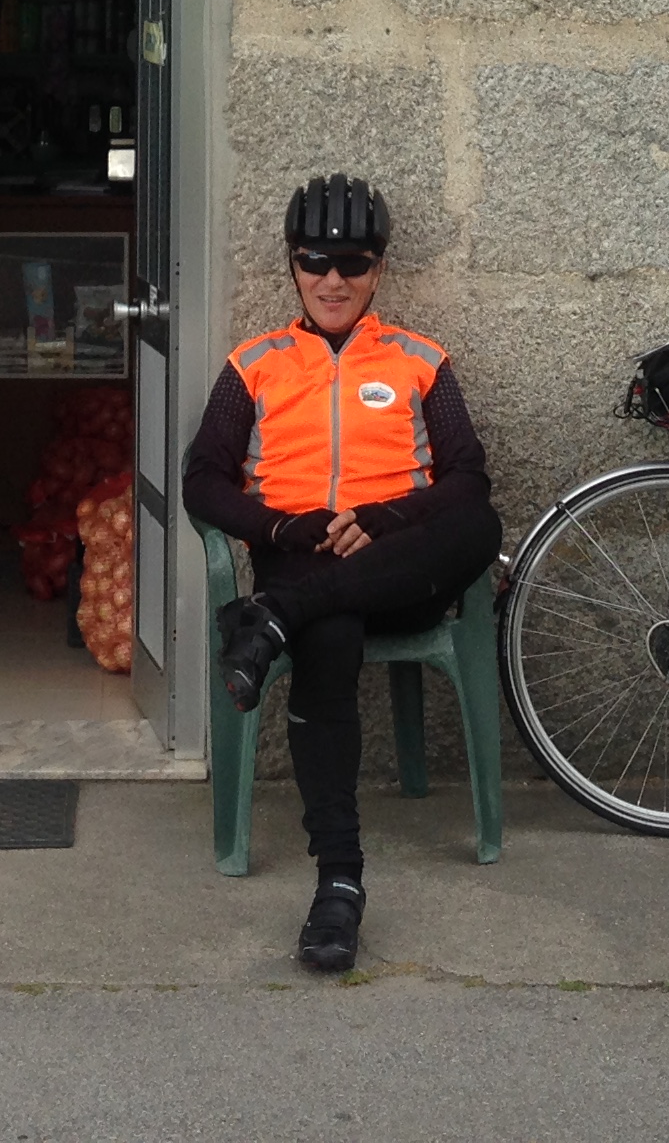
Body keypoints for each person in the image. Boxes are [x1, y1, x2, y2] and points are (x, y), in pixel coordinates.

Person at [181, 173, 501, 974]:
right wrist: (282, 526)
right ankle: (340, 882)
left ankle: (273, 618)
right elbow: (202, 480)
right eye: (314, 262)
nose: (333, 280)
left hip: (398, 568)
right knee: (328, 637)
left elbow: (466, 476)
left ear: (379, 270)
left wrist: (386, 518)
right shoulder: (254, 364)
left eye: (353, 263)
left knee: (480, 523)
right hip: (302, 559)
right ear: (292, 266)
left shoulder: (421, 360)